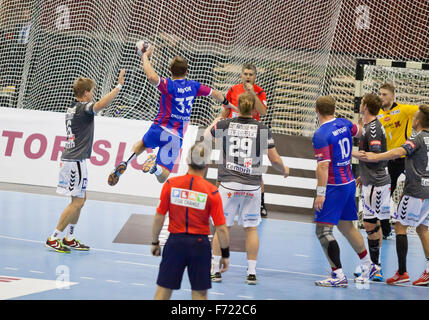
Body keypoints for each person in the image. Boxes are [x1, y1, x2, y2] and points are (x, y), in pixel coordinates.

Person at [108, 46, 235, 186]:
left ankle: (126, 161)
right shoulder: (194, 86)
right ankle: (155, 168)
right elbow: (215, 94)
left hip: (159, 128)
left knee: (142, 144)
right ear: (187, 71)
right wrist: (226, 103)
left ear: (170, 70)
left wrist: (144, 56)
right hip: (175, 136)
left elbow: (151, 77)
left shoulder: (168, 85)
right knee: (163, 177)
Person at [207, 92, 289, 285]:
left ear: (237, 106)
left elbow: (208, 137)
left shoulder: (225, 125)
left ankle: (214, 270)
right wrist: (284, 169)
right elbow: (274, 159)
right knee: (251, 229)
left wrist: (218, 119)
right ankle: (251, 272)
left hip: (228, 184)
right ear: (254, 109)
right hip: (252, 186)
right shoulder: (262, 128)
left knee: (222, 227)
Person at [45, 69, 126, 253]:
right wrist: (118, 86)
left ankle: (70, 237)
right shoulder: (84, 108)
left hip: (75, 160)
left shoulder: (72, 108)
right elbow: (101, 104)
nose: (93, 94)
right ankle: (54, 237)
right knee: (77, 202)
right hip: (74, 160)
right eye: (91, 91)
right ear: (85, 93)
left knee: (81, 199)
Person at [312, 96, 380, 287]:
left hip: (334, 186)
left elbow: (323, 167)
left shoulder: (321, 134)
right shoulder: (343, 123)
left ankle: (338, 275)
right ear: (334, 109)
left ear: (316, 110)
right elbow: (359, 131)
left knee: (323, 231)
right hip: (349, 182)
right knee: (346, 227)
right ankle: (369, 264)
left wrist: (320, 192)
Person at [360, 104, 429, 286]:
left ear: (418, 120)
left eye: (415, 117)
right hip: (428, 191)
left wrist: (377, 156)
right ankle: (428, 272)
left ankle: (402, 272)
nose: (413, 119)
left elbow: (401, 151)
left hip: (416, 190)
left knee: (400, 226)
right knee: (422, 228)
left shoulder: (418, 137)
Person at [151, 142, 230, 300]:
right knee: (200, 295)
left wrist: (154, 242)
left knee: (163, 292)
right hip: (199, 246)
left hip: (175, 244)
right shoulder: (212, 192)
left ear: (187, 160)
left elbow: (159, 216)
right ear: (207, 164)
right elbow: (221, 228)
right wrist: (225, 254)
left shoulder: (170, 184)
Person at [220, 63, 270, 218]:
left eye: (251, 74)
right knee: (225, 166)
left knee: (255, 170)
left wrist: (253, 94)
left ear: (255, 76)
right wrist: (222, 122)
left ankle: (261, 203)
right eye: (246, 74)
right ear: (241, 75)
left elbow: (263, 112)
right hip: (233, 133)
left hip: (251, 134)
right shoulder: (233, 90)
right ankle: (222, 200)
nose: (248, 77)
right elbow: (226, 110)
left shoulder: (260, 92)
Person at [352, 93, 390, 282]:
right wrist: (362, 174)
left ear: (365, 106)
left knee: (370, 224)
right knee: (373, 224)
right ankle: (375, 265)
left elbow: (374, 155)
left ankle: (374, 267)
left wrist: (347, 151)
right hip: (372, 180)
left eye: (362, 103)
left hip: (376, 182)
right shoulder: (368, 126)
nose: (360, 105)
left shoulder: (373, 129)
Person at [377, 83, 419, 239]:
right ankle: (387, 230)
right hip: (387, 160)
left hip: (405, 158)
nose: (381, 97)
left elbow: (424, 110)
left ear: (393, 96)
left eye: (385, 94)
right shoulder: (377, 114)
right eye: (380, 94)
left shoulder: (404, 109)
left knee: (415, 189)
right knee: (385, 194)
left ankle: (410, 221)